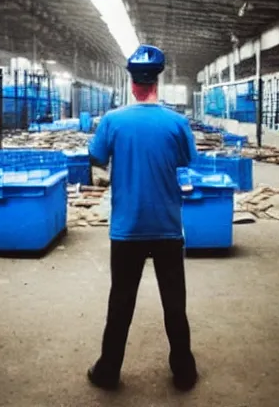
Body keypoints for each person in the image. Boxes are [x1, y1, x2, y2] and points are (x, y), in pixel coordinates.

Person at [87, 45, 198, 392]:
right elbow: (186, 162)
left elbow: (96, 158)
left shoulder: (112, 121)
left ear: (132, 84)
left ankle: (107, 371)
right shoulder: (177, 123)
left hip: (126, 230)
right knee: (174, 304)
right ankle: (183, 372)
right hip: (167, 228)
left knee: (120, 302)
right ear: (157, 83)